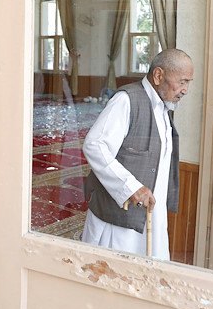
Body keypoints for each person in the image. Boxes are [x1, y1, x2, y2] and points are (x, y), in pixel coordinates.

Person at [80, 49, 193, 260]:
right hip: (118, 221)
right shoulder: (126, 100)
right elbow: (95, 145)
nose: (185, 90)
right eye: (183, 82)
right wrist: (131, 187)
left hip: (150, 218)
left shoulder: (162, 107)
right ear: (159, 76)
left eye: (188, 83)